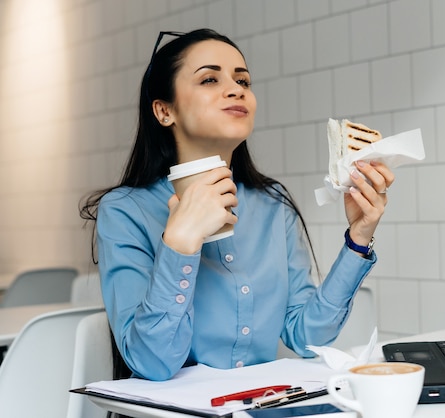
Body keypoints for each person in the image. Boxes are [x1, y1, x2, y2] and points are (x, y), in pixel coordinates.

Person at [80, 28, 394, 381]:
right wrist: (180, 243)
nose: (235, 89)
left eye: (243, 80)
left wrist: (358, 238)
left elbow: (308, 338)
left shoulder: (273, 204)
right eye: (210, 79)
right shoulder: (124, 211)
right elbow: (153, 363)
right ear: (164, 111)